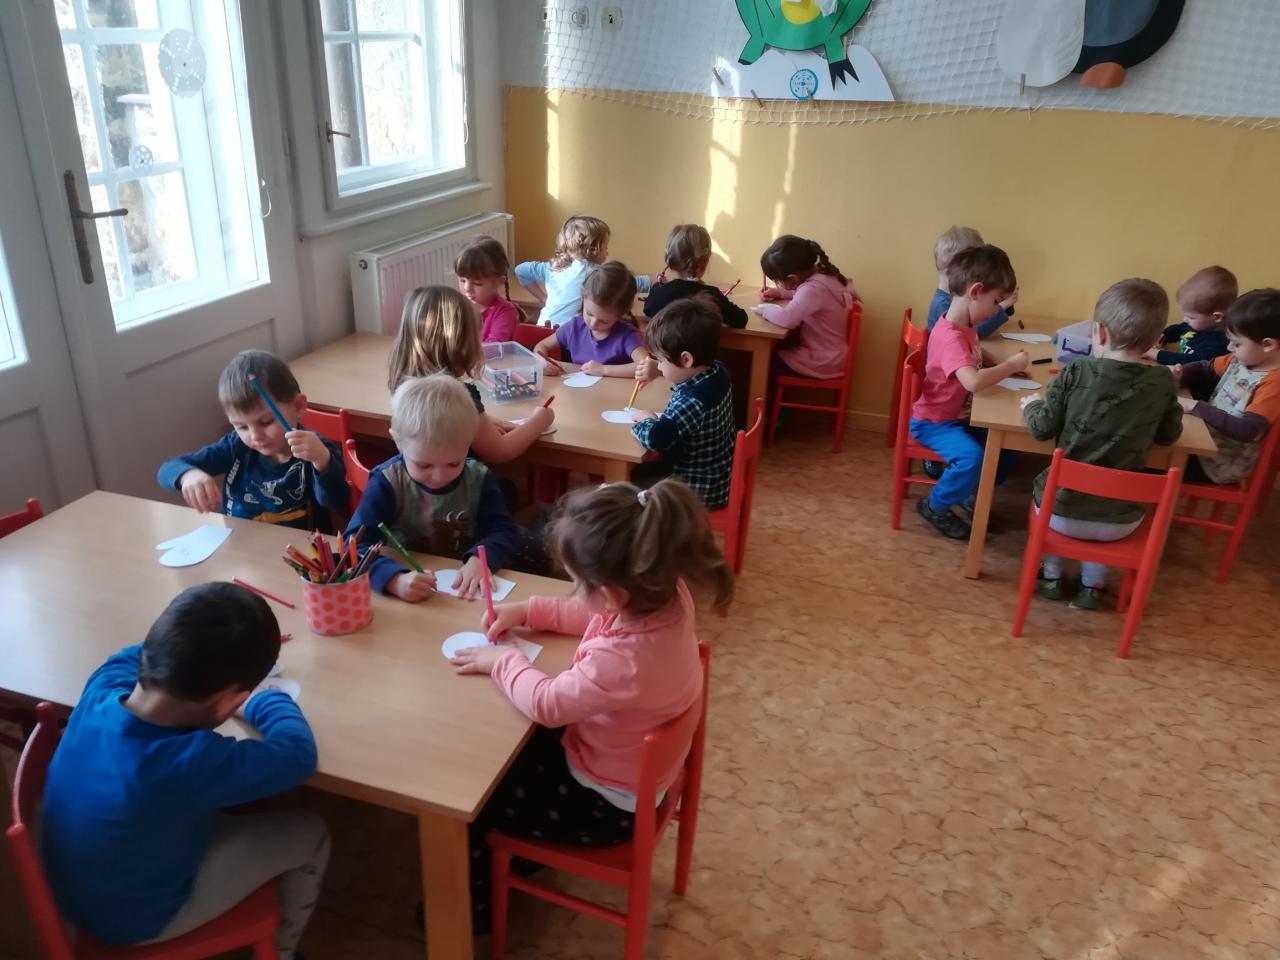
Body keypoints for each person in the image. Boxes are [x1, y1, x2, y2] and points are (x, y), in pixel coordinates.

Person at [448, 479, 733, 932]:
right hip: (632, 773)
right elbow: (591, 612)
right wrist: (527, 611)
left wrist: (504, 660)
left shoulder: (623, 660)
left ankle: (472, 911)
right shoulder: (664, 594)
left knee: (475, 801)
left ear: (614, 594)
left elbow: (546, 704)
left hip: (605, 806)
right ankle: (523, 858)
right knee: (508, 752)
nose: (575, 592)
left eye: (578, 583)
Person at [41, 582, 326, 958]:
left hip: (73, 893)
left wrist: (193, 643)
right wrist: (267, 699)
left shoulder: (102, 688)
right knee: (310, 832)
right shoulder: (190, 763)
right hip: (136, 921)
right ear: (228, 700)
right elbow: (297, 756)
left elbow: (139, 654)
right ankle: (285, 953)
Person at [1020, 279, 1183, 609]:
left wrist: (1032, 406)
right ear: (1155, 340)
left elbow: (1042, 428)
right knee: (1106, 502)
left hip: (1059, 512)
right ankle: (1092, 585)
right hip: (1122, 522)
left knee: (1054, 494)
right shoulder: (1163, 381)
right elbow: (1168, 436)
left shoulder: (1076, 371)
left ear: (1099, 333)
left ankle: (1051, 576)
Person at [347, 374, 540, 601]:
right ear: (398, 441)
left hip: (462, 587)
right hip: (406, 587)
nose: (439, 476)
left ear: (469, 442)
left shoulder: (478, 478)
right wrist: (393, 579)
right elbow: (354, 547)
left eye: (454, 463)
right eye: (424, 465)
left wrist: (482, 559)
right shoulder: (387, 482)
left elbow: (503, 530)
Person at [910, 245, 1028, 540]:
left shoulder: (963, 325)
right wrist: (1010, 366)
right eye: (996, 301)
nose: (997, 309)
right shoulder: (951, 336)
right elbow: (973, 381)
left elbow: (975, 352)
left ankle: (968, 491)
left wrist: (1001, 366)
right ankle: (935, 506)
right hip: (935, 422)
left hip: (958, 418)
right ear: (975, 291)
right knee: (972, 457)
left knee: (1006, 444)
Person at [157, 349, 348, 529]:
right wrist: (188, 475)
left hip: (303, 549)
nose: (256, 436)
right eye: (241, 427)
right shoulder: (235, 446)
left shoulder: (316, 450)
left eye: (266, 422)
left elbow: (336, 502)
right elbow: (167, 469)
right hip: (241, 544)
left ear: (297, 406)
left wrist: (322, 462)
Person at [388, 286, 554, 464]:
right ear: (462, 345)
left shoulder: (405, 385)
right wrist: (539, 420)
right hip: (459, 480)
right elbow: (501, 451)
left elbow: (440, 419)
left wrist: (487, 422)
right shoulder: (458, 396)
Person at [630, 299, 737, 509]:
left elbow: (657, 439)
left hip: (696, 490)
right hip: (718, 478)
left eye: (661, 360)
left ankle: (654, 527)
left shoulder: (692, 401)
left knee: (631, 481)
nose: (659, 366)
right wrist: (659, 369)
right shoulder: (718, 371)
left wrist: (646, 420)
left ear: (686, 359)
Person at [1176, 288, 1280, 485]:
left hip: (1221, 463)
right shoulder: (1240, 360)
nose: (1229, 348)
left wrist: (1195, 406)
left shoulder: (1274, 383)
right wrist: (1177, 375)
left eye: (1236, 343)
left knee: (1156, 455)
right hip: (1205, 440)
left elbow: (1247, 430)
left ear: (1268, 345)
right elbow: (1205, 368)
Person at [757, 234, 859, 408]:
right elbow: (808, 297)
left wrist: (764, 310)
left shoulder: (812, 289)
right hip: (833, 356)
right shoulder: (826, 276)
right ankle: (777, 412)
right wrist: (780, 292)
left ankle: (772, 414)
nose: (777, 283)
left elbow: (787, 318)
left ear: (792, 278)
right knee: (777, 349)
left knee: (766, 361)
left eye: (778, 281)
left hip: (822, 360)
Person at [514, 215, 650, 328]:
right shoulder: (595, 273)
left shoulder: (552, 267)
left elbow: (520, 270)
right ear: (592, 249)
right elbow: (628, 283)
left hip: (542, 328)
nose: (607, 252)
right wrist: (658, 280)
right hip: (569, 337)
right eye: (605, 247)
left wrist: (544, 298)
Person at [533, 260, 653, 379]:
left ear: (620, 314)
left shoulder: (626, 336)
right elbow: (541, 346)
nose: (593, 324)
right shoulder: (574, 327)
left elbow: (646, 365)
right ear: (583, 295)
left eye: (604, 321)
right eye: (589, 313)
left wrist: (603, 369)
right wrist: (542, 362)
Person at [642, 223, 748, 328]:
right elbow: (741, 319)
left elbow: (647, 310)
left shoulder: (658, 291)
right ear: (704, 262)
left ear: (671, 259)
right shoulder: (712, 296)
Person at [926, 225, 1018, 337]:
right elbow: (973, 332)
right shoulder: (942, 305)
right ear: (958, 267)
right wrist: (1003, 306)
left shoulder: (951, 299)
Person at [1150, 265, 1237, 375]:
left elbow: (1191, 361)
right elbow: (1178, 329)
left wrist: (1154, 353)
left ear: (1216, 317)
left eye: (1191, 317)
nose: (1185, 319)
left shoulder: (1221, 344)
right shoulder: (1198, 325)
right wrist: (1163, 335)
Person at [455, 235, 521, 344]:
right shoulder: (456, 306)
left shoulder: (505, 312)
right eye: (462, 280)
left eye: (477, 283)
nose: (467, 288)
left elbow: (493, 348)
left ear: (500, 281)